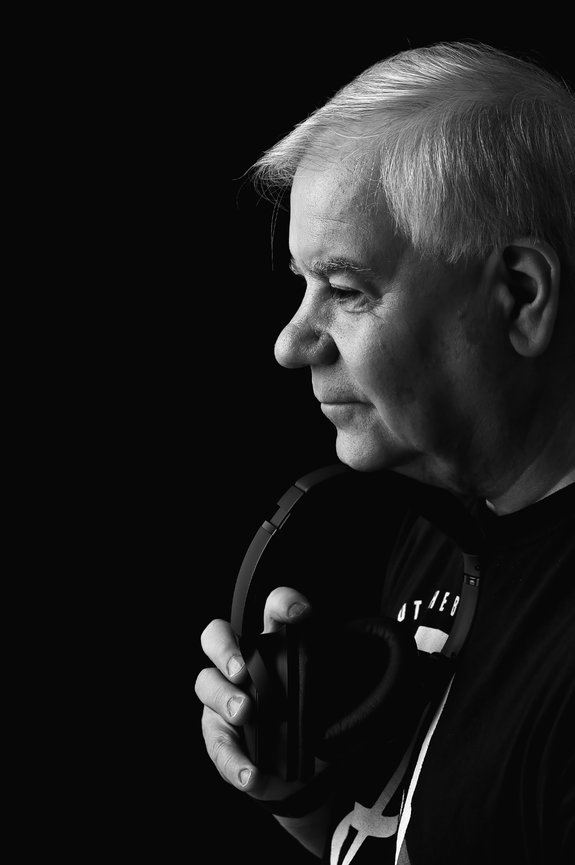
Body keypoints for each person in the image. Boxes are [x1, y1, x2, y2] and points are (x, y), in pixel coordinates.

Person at [195, 41, 575, 863]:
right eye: (299, 285)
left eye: (345, 288)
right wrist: (296, 790)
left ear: (519, 294)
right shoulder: (444, 534)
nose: (290, 344)